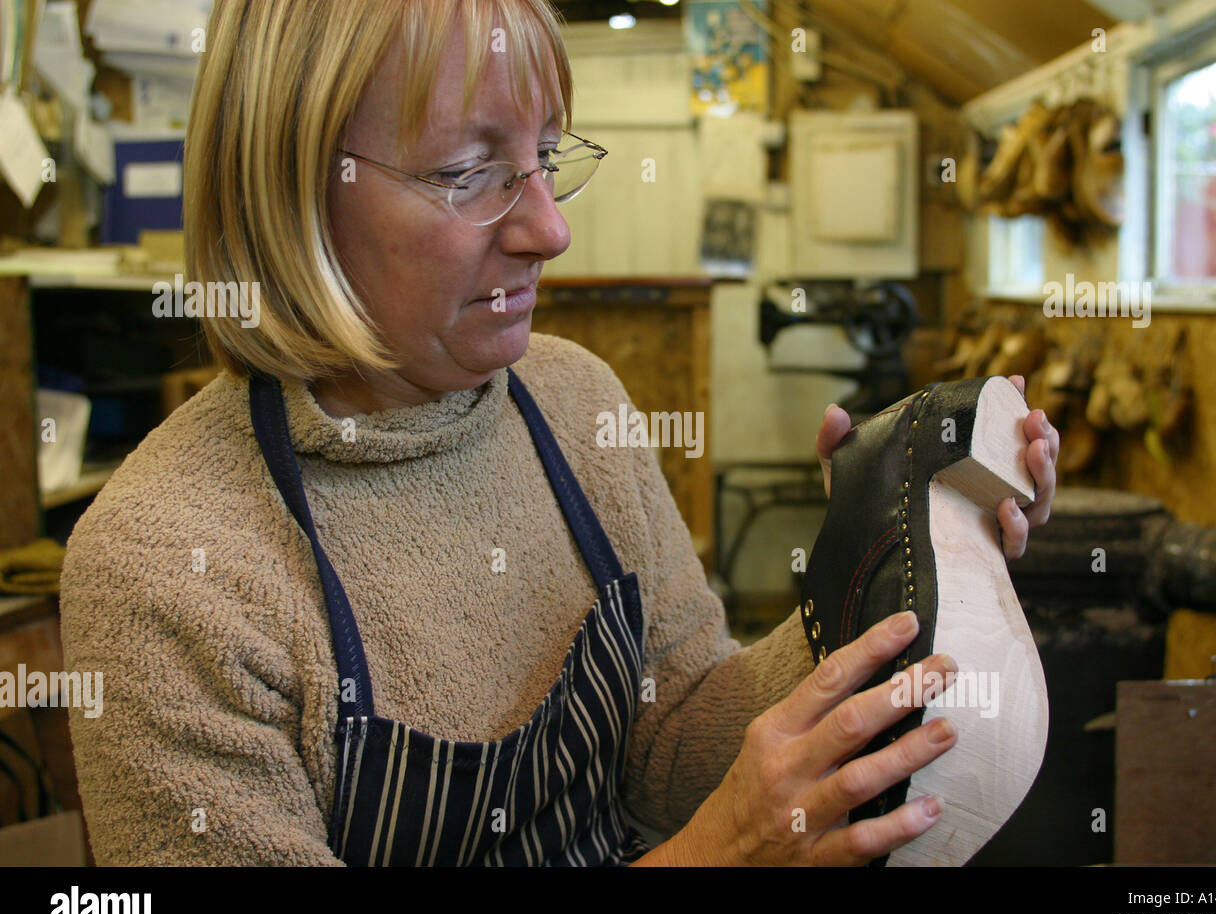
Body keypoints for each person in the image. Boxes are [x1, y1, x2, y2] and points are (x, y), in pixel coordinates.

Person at [59, 0, 1058, 866]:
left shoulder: (577, 403)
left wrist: (870, 566)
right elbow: (707, 831)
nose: (549, 229)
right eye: (467, 170)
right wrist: (720, 853)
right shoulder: (165, 569)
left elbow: (671, 746)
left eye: (542, 156)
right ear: (290, 187)